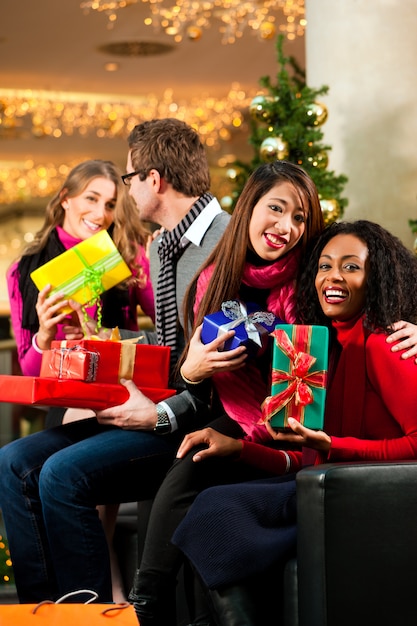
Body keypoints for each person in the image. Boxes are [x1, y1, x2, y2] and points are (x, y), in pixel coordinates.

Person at [0, 118, 230, 608]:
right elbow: (170, 343)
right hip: (147, 399)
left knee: (59, 475)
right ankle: (48, 613)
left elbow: (215, 369)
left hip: (183, 419)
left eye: (125, 183)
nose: (117, 202)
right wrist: (95, 338)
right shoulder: (168, 244)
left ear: (153, 180)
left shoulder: (214, 245)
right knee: (11, 462)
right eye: (97, 198)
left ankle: (91, 613)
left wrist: (156, 411)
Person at [171, 219, 417, 626]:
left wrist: (328, 445)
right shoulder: (327, 348)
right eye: (324, 266)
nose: (333, 276)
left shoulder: (385, 345)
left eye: (351, 266)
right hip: (326, 489)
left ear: (378, 278)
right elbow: (308, 461)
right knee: (214, 501)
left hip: (365, 503)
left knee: (217, 510)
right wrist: (241, 447)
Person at [127, 159, 325, 625]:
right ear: (249, 205)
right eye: (276, 209)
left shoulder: (312, 281)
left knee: (197, 475)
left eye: (300, 218)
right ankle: (147, 604)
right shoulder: (213, 279)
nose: (286, 227)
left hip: (298, 421)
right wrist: (192, 371)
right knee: (190, 463)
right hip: (235, 412)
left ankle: (146, 603)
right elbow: (196, 387)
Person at [6, 158, 155, 602]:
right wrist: (46, 337)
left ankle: (98, 585)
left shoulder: (124, 254)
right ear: (65, 199)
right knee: (76, 422)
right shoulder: (26, 268)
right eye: (91, 198)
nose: (101, 212)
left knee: (101, 419)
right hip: (65, 395)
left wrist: (145, 260)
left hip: (119, 389)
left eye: (110, 203)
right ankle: (102, 586)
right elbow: (31, 374)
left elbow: (170, 317)